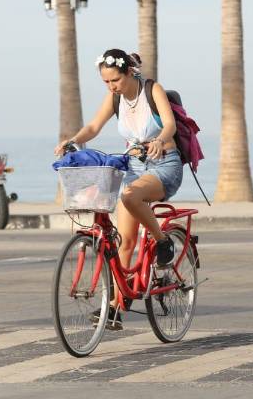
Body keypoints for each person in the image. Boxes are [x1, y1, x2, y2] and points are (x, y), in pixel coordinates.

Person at [54, 49, 183, 329]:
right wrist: (72, 140)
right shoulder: (115, 98)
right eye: (106, 82)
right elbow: (93, 126)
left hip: (164, 165)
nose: (112, 86)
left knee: (129, 195)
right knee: (124, 240)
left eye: (115, 80)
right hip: (134, 167)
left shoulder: (152, 89)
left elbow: (169, 123)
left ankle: (162, 241)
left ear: (128, 73)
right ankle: (115, 306)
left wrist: (160, 140)